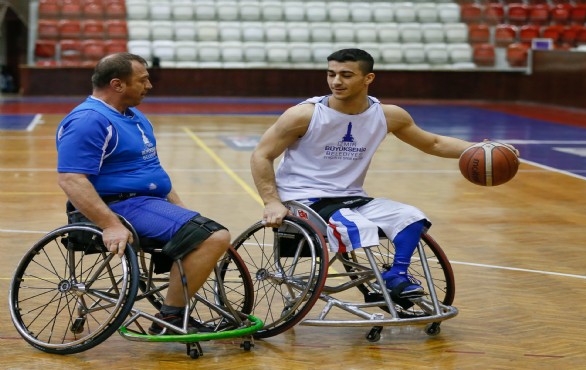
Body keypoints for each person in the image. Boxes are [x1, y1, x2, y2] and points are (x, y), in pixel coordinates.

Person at [251, 48, 517, 298]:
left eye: (346, 75)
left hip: (351, 197)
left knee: (412, 217)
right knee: (358, 226)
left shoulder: (389, 115)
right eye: (331, 74)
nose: (336, 81)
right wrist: (271, 201)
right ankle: (386, 281)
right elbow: (262, 155)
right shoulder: (303, 115)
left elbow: (433, 143)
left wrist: (484, 149)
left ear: (369, 78)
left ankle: (397, 275)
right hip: (303, 199)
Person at [56, 52, 230, 334]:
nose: (149, 86)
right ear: (117, 84)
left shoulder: (134, 116)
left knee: (202, 230)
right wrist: (109, 225)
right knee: (214, 236)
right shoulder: (89, 120)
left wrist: (181, 208)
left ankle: (174, 307)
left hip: (145, 203)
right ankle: (171, 319)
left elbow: (154, 171)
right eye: (143, 80)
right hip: (119, 207)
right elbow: (72, 179)